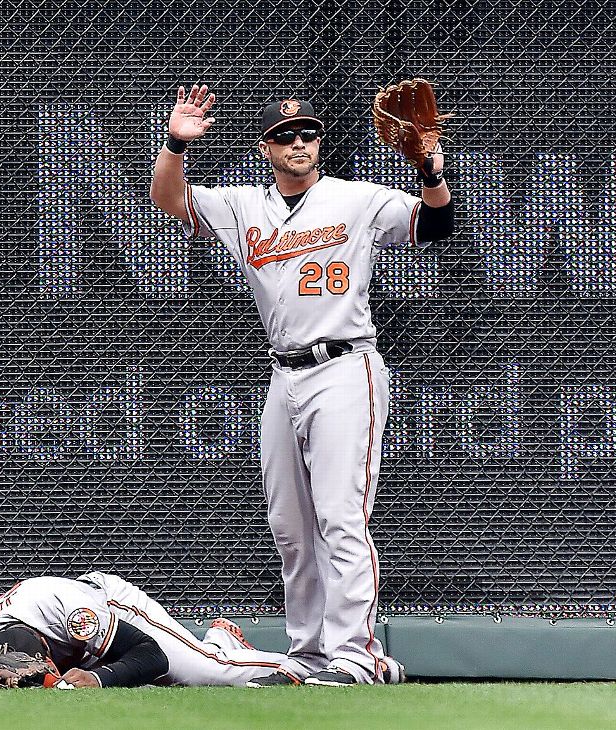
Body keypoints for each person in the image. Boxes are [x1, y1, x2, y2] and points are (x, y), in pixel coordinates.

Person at [149, 84, 453, 686]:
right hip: (283, 374)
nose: (298, 142)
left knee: (341, 516)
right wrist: (176, 146)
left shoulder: (357, 199)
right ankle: (309, 653)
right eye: (285, 136)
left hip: (346, 367)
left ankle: (355, 656)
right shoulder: (243, 207)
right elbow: (168, 200)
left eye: (308, 133)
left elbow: (436, 223)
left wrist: (427, 169)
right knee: (290, 525)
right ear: (266, 147)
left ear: (320, 142)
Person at [0, 572, 290, 688]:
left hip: (110, 608)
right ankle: (221, 639)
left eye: (45, 668)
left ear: (41, 642)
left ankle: (305, 666)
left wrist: (100, 678)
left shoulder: (63, 608)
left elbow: (152, 655)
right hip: (76, 647)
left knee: (207, 673)